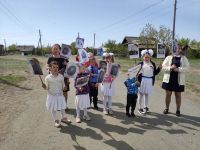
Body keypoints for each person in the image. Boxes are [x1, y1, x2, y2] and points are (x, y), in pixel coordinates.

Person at [162, 45, 189, 116]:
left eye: (179, 48)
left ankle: (178, 110)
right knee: (168, 94)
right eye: (176, 48)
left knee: (178, 95)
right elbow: (163, 67)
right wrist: (170, 67)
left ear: (180, 50)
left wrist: (179, 69)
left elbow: (187, 68)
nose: (178, 49)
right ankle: (167, 108)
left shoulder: (183, 58)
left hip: (178, 80)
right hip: (169, 79)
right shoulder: (168, 57)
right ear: (173, 49)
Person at [42, 61, 71, 127]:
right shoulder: (47, 78)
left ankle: (63, 118)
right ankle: (56, 120)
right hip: (52, 95)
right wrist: (44, 87)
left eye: (57, 67)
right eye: (54, 67)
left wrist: (65, 87)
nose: (55, 69)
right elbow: (47, 88)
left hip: (60, 95)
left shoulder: (61, 76)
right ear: (50, 68)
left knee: (62, 107)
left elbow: (63, 86)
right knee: (53, 108)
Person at [47, 44, 70, 112]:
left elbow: (69, 68)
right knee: (56, 92)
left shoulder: (64, 58)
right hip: (54, 79)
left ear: (60, 50)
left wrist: (67, 64)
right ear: (52, 50)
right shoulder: (50, 58)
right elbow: (47, 65)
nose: (55, 50)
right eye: (54, 49)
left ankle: (65, 106)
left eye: (57, 49)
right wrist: (48, 67)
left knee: (65, 92)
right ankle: (57, 105)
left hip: (64, 78)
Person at [137, 49, 161, 114]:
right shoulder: (140, 64)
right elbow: (137, 73)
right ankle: (140, 108)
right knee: (141, 94)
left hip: (150, 81)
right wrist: (138, 81)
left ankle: (146, 107)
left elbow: (154, 73)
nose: (147, 58)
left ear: (150, 57)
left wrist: (159, 68)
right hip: (142, 81)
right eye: (145, 57)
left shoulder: (152, 64)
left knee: (147, 94)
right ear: (143, 57)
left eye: (148, 57)